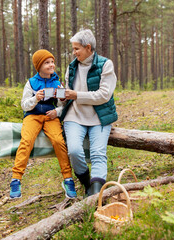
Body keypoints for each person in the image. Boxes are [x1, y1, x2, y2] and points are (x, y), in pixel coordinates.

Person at [9, 49, 77, 199]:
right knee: (26, 141)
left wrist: (60, 105)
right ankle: (16, 179)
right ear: (39, 66)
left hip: (50, 116)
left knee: (58, 141)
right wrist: (36, 99)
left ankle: (68, 179)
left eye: (52, 62)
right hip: (32, 116)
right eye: (47, 63)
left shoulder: (56, 82)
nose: (51, 65)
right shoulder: (31, 83)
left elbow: (61, 105)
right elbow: (24, 105)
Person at [60, 29, 118, 196]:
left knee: (98, 153)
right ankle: (87, 184)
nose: (74, 52)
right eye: (73, 49)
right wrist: (63, 97)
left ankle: (95, 193)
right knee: (74, 151)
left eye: (76, 48)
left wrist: (76, 95)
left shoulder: (106, 64)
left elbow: (104, 95)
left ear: (88, 47)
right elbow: (68, 94)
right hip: (74, 116)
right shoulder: (71, 67)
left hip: (99, 117)